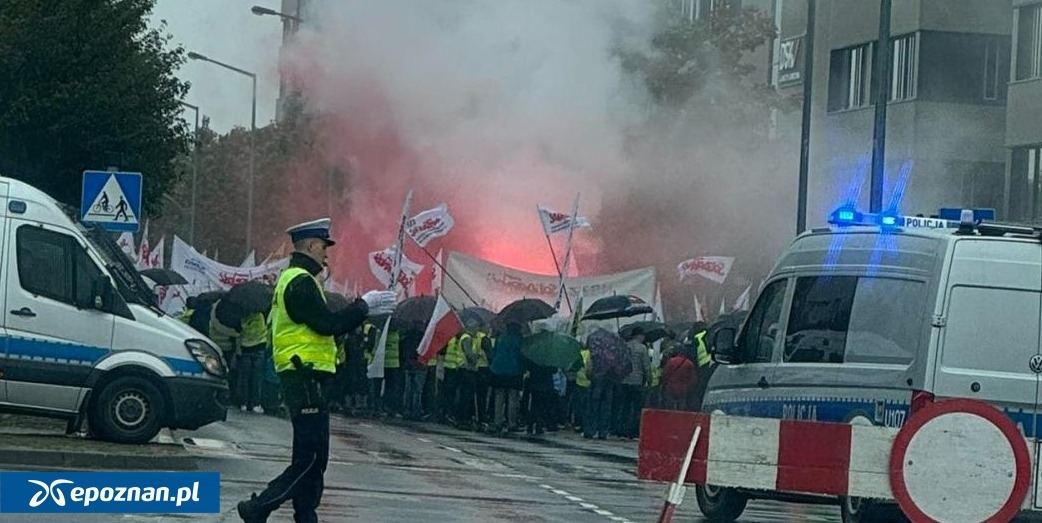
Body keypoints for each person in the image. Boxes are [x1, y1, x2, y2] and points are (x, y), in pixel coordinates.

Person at [237, 218, 394, 523]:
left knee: (314, 457)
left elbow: (324, 327)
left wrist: (362, 311)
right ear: (310, 246)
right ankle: (260, 507)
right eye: (324, 247)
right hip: (303, 375)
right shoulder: (300, 281)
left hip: (305, 375)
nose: (326, 254)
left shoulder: (297, 280)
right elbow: (327, 324)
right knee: (310, 458)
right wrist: (363, 306)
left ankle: (306, 514)